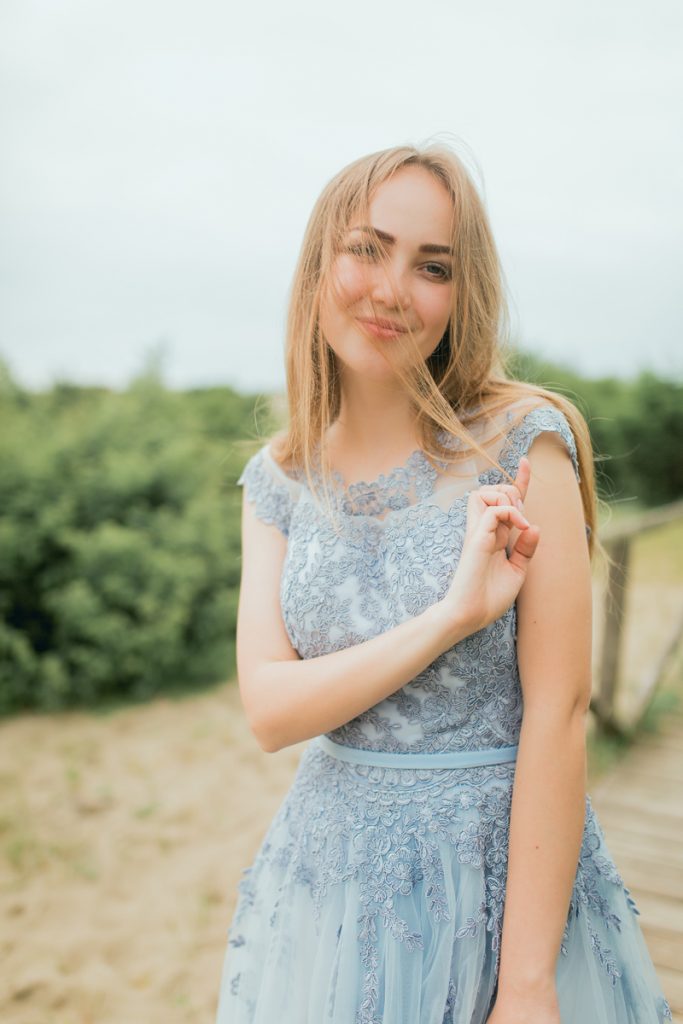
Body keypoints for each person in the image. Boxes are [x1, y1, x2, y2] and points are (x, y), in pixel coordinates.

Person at [214, 142, 672, 1023]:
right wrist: (451, 616)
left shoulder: (520, 442)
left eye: (432, 267)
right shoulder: (279, 477)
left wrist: (529, 980)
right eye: (366, 248)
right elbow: (271, 710)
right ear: (319, 265)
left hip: (498, 880)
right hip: (330, 883)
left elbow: (560, 708)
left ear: (465, 297)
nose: (391, 289)